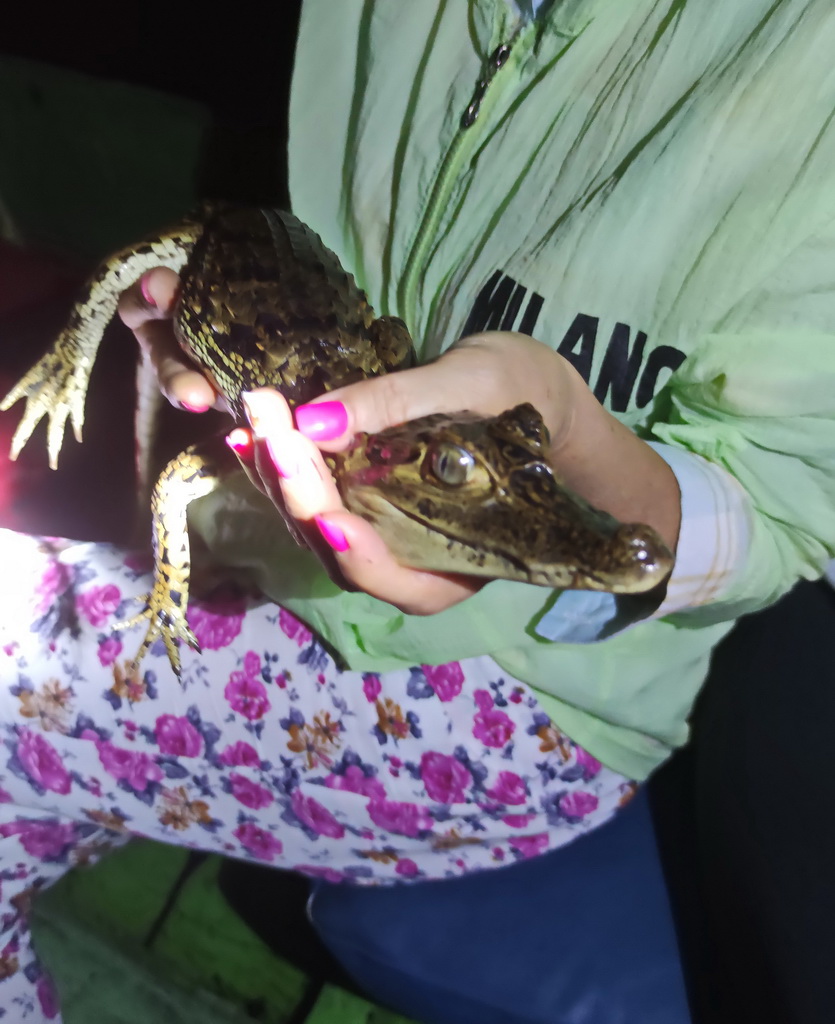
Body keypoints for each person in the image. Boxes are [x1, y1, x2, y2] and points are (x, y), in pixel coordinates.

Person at [3, 0, 835, 1019]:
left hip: (537, 689)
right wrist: (182, 332)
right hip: (264, 542)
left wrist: (574, 429)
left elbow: (777, 512)